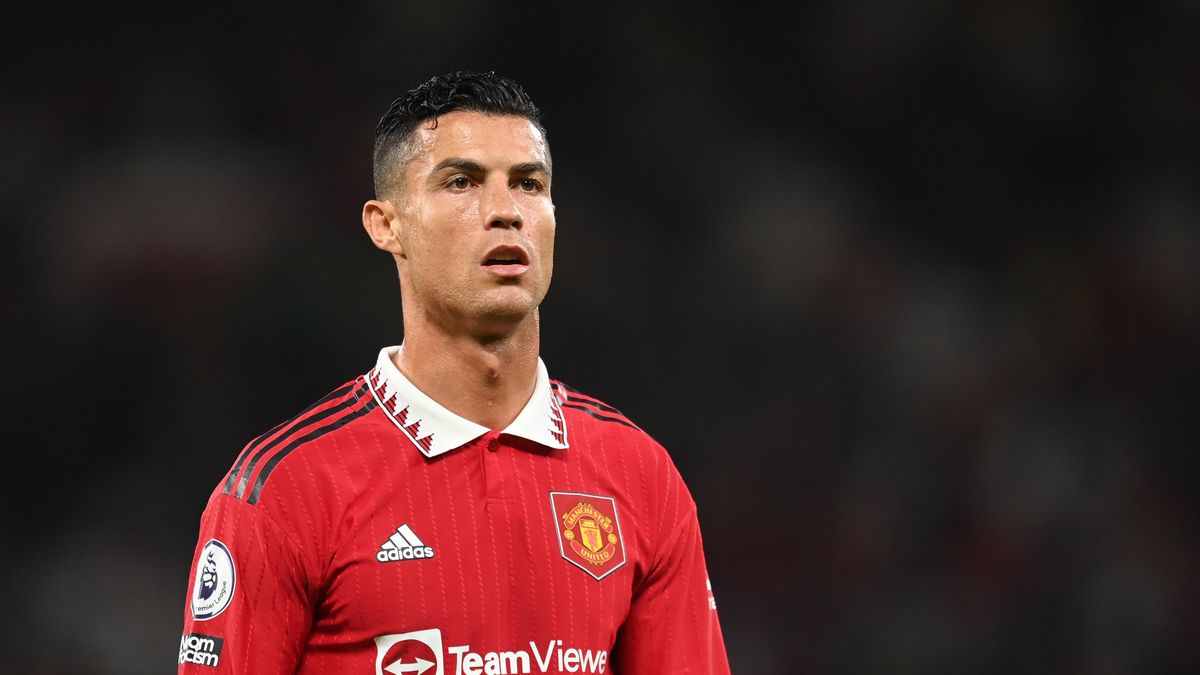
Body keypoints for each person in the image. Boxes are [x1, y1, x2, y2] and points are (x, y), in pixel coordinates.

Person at [178, 70, 730, 675]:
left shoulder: (640, 475)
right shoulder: (286, 490)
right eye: (462, 182)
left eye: (528, 184)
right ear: (386, 225)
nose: (504, 211)